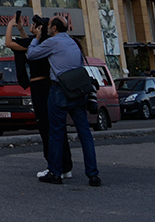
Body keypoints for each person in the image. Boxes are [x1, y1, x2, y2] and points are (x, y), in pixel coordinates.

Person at [26, 17, 100, 186]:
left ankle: (55, 172)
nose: (47, 27)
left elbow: (31, 55)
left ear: (53, 28)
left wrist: (37, 37)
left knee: (56, 132)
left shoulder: (53, 42)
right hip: (78, 90)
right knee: (85, 133)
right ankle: (93, 175)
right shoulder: (74, 42)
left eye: (49, 25)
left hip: (60, 90)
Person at [6, 14, 70, 178]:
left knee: (45, 127)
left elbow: (9, 43)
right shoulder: (45, 43)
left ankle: (53, 166)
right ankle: (66, 166)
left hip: (39, 87)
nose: (32, 26)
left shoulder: (37, 44)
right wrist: (21, 29)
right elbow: (28, 42)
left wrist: (10, 25)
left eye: (35, 25)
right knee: (57, 126)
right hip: (49, 85)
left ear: (39, 29)